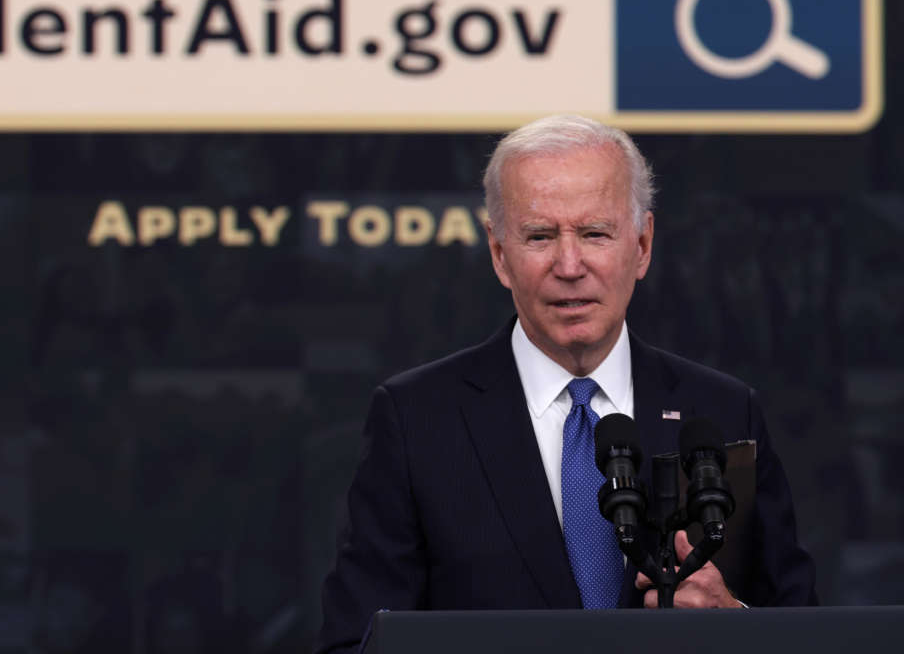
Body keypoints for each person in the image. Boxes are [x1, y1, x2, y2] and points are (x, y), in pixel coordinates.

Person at [317, 115, 817, 653]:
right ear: (499, 253)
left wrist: (734, 620)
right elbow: (356, 643)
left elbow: (809, 631)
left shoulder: (722, 410)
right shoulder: (417, 418)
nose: (570, 265)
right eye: (540, 236)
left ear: (643, 245)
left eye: (595, 233)